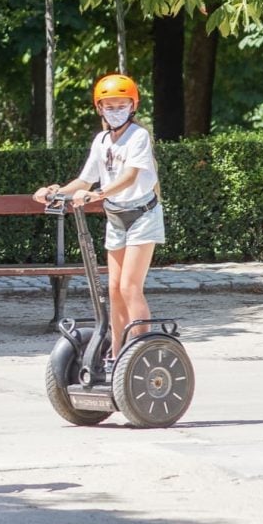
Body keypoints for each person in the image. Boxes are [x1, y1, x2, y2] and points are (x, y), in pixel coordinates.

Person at [33, 73, 165, 364]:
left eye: (121, 105)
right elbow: (84, 180)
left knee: (131, 287)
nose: (115, 110)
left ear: (133, 107)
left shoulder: (138, 136)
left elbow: (130, 177)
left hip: (143, 214)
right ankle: (117, 355)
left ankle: (138, 350)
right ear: (99, 108)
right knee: (114, 289)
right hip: (116, 216)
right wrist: (55, 191)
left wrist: (98, 194)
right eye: (109, 105)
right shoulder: (101, 140)